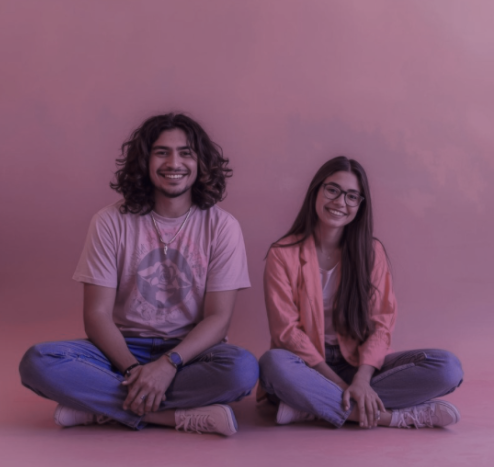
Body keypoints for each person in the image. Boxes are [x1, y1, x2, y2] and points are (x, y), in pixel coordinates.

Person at [19, 113, 259, 436]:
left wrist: (168, 364)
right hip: (120, 350)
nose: (174, 163)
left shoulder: (223, 227)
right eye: (162, 152)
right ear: (145, 161)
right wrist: (134, 369)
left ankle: (99, 408)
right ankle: (175, 417)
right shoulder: (109, 221)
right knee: (38, 362)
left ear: (201, 162)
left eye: (186, 153)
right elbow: (96, 314)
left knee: (242, 370)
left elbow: (218, 319)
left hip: (190, 353)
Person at [259, 156, 463, 429]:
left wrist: (362, 380)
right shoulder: (282, 254)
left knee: (447, 367)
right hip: (307, 367)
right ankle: (392, 417)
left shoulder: (371, 252)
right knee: (272, 364)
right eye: (332, 190)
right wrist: (345, 387)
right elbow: (286, 333)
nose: (340, 202)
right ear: (316, 191)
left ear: (360, 205)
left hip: (359, 363)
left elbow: (381, 324)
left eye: (352, 196)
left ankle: (312, 407)